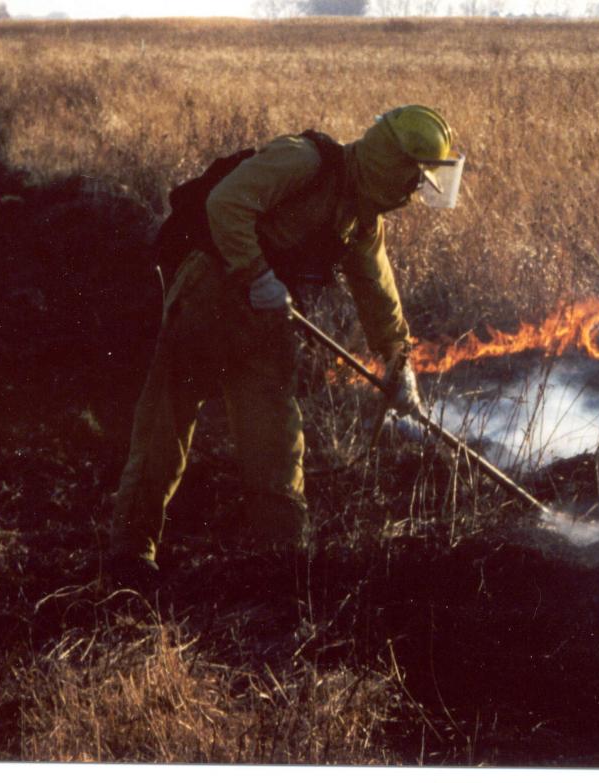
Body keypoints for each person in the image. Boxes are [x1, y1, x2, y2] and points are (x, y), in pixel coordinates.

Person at [105, 105, 462, 588]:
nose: (415, 191)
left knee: (276, 442)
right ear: (392, 164)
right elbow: (227, 203)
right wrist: (256, 272)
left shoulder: (361, 218)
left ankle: (282, 567)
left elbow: (380, 294)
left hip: (266, 323)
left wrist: (401, 366)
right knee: (166, 427)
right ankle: (131, 556)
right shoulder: (304, 161)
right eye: (415, 177)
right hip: (209, 296)